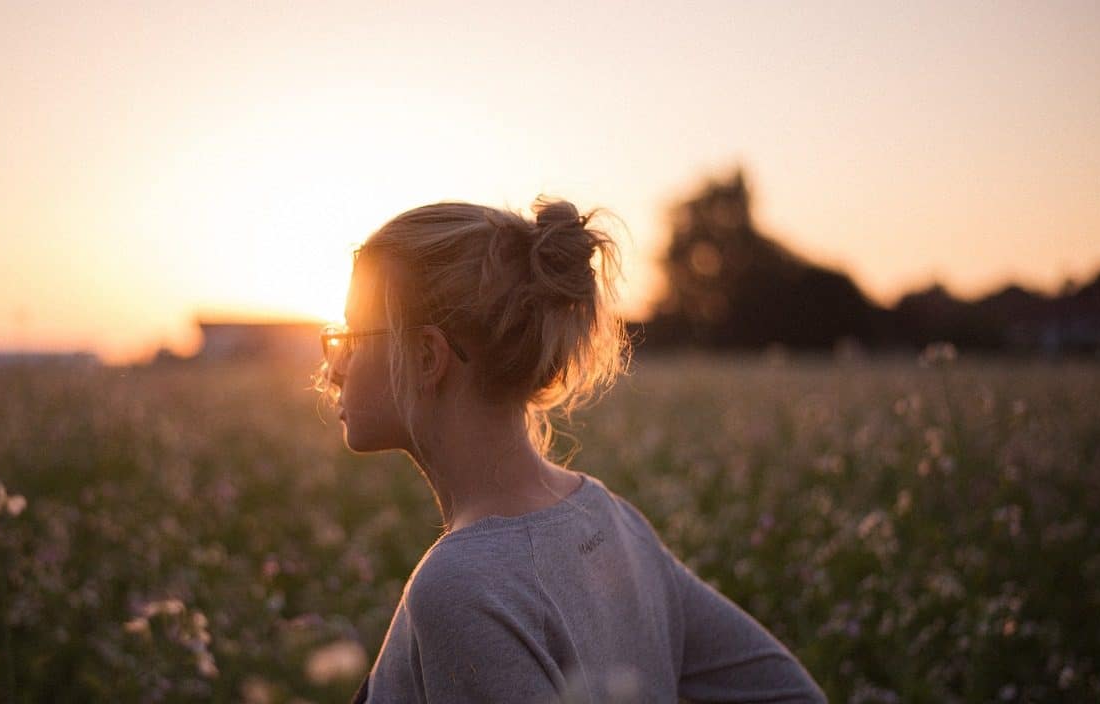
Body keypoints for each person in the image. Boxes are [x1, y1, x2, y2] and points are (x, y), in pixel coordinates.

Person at [315, 197, 827, 703]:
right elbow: (792, 694)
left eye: (354, 338)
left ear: (428, 357)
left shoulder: (460, 588)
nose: (333, 368)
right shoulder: (610, 518)